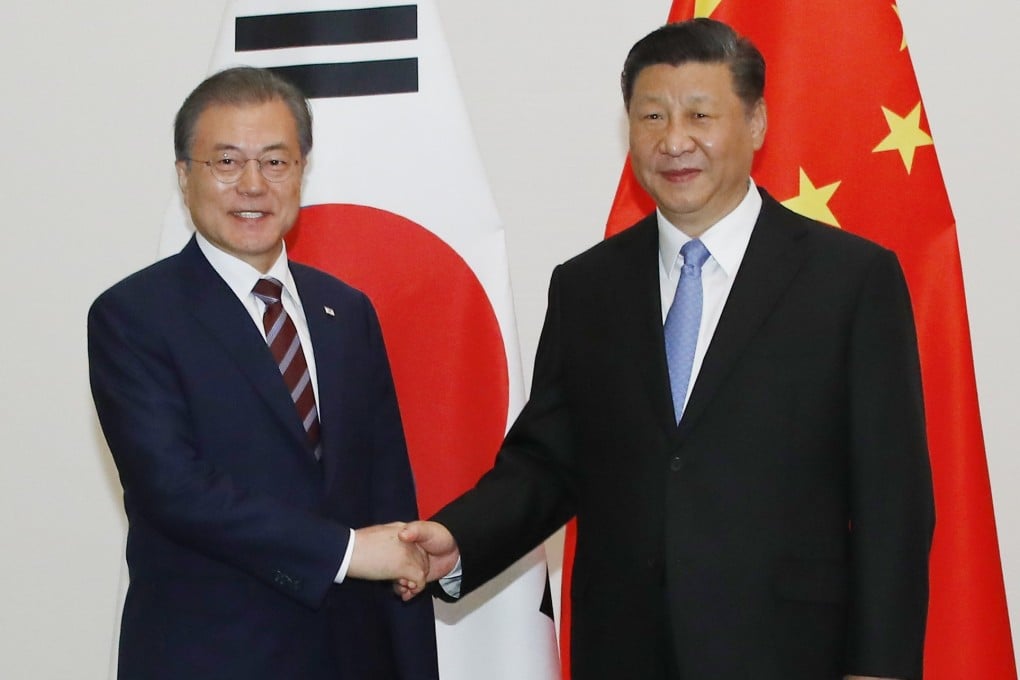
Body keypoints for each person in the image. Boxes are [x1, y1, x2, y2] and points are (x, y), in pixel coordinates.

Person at [397, 19, 933, 680]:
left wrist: (879, 669)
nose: (674, 140)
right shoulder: (587, 286)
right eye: (651, 116)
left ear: (757, 122)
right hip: (625, 650)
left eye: (700, 115)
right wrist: (458, 539)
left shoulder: (849, 280)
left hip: (790, 652)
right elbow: (548, 462)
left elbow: (892, 501)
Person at [88, 67, 438, 680]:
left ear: (301, 171)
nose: (253, 185)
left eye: (275, 162)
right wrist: (350, 552)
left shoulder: (347, 311)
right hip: (211, 657)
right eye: (226, 162)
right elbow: (174, 490)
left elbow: (388, 491)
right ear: (183, 176)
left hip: (353, 656)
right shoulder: (134, 316)